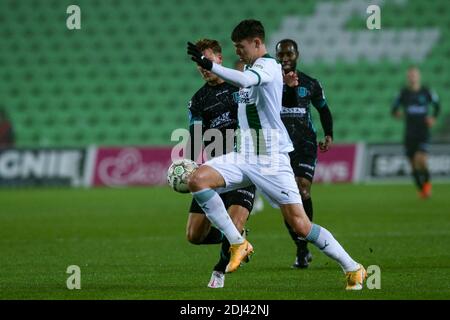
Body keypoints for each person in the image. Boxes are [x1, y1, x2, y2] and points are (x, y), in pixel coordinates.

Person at [187, 19, 366, 290]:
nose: (238, 51)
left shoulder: (268, 66)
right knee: (197, 180)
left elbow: (246, 79)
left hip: (270, 159)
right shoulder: (249, 68)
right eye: (235, 47)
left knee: (301, 226)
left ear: (257, 43)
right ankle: (238, 242)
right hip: (244, 153)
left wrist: (211, 64)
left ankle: (353, 268)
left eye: (241, 46)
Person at [185, 39, 256, 289]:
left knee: (234, 223)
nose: (204, 68)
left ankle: (219, 272)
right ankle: (238, 238)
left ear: (219, 59)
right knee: (194, 235)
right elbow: (194, 139)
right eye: (199, 65)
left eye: (207, 62)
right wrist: (190, 168)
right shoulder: (198, 100)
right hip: (215, 171)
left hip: (244, 167)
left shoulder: (242, 86)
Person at [275, 39, 334, 269]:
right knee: (286, 200)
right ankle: (302, 249)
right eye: (281, 54)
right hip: (279, 146)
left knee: (302, 189)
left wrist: (329, 134)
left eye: (289, 53)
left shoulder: (310, 83)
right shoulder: (271, 83)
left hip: (305, 144)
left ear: (297, 54)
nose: (285, 58)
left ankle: (305, 240)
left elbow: (324, 110)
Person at [392, 66, 440, 198]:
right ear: (408, 77)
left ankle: (427, 185)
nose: (412, 77)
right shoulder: (403, 93)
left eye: (414, 74)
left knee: (421, 159)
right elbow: (394, 107)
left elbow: (437, 105)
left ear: (419, 76)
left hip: (423, 132)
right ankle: (422, 190)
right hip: (409, 133)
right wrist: (397, 113)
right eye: (410, 75)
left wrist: (433, 117)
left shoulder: (426, 91)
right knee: (413, 165)